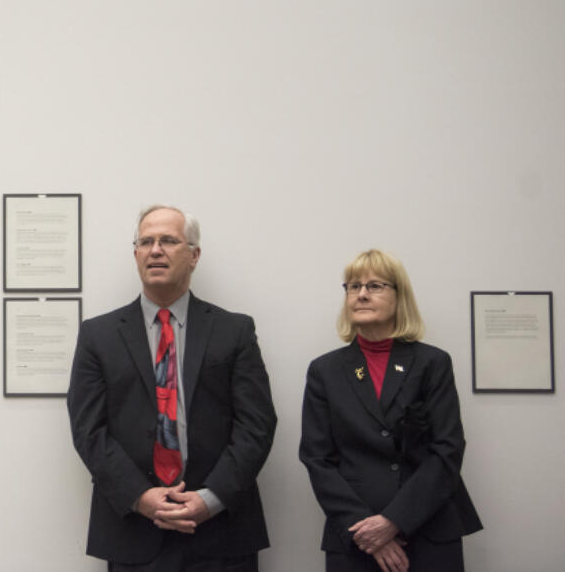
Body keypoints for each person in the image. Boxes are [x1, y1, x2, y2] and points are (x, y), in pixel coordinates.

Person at [68, 205, 277, 572]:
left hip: (222, 533)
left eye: (168, 240)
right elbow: (88, 431)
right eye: (145, 241)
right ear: (135, 254)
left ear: (194, 255)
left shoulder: (235, 331)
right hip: (134, 531)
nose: (155, 250)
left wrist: (210, 499)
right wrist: (141, 497)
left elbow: (256, 425)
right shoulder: (97, 336)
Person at [300, 250, 481, 572]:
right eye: (353, 286)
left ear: (400, 296)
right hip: (356, 536)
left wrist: (394, 521)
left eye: (375, 286)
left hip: (429, 530)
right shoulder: (325, 370)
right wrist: (368, 529)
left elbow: (448, 449)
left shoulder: (433, 363)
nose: (362, 294)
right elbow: (317, 458)